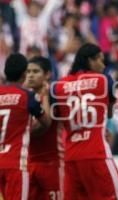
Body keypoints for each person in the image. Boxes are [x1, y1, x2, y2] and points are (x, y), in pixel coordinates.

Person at [53, 43, 118, 200]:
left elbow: (57, 118)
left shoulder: (59, 85)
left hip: (71, 156)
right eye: (100, 59)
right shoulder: (104, 80)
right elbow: (110, 113)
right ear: (90, 61)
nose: (103, 64)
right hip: (96, 152)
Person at [0, 53, 51, 200]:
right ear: (24, 74)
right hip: (15, 164)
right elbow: (46, 123)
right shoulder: (27, 96)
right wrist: (45, 96)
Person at [25, 56, 64, 200]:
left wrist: (21, 133)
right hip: (29, 164)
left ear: (47, 74)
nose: (30, 75)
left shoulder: (55, 96)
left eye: (35, 71)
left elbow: (42, 127)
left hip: (52, 163)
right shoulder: (25, 98)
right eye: (28, 72)